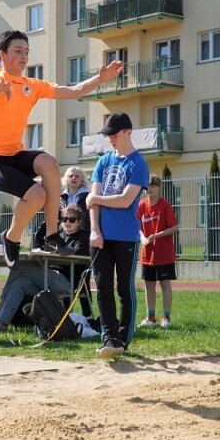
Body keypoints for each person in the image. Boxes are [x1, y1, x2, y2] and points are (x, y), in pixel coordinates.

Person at [0, 29, 124, 270]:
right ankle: (11, 237)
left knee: (49, 163)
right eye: (18, 51)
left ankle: (52, 236)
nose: (24, 56)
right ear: (2, 54)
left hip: (14, 155)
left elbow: (73, 91)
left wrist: (100, 79)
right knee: (37, 196)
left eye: (27, 52)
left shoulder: (32, 85)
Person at [87, 112, 149, 357]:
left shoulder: (138, 164)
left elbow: (125, 200)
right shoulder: (103, 162)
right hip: (100, 237)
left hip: (125, 237)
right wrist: (94, 229)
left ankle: (123, 339)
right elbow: (93, 204)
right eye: (108, 135)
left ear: (128, 132)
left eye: (114, 134)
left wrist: (96, 198)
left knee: (124, 288)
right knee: (102, 288)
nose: (111, 139)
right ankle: (109, 338)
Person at [35, 204, 92, 317]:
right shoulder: (58, 236)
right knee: (23, 279)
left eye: (72, 220)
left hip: (70, 279)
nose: (67, 223)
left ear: (79, 222)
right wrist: (47, 223)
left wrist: (55, 253)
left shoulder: (83, 237)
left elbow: (75, 256)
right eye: (64, 219)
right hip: (53, 274)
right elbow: (40, 245)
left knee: (24, 273)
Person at [138, 174, 179, 329]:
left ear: (158, 188)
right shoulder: (141, 205)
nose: (149, 189)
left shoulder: (164, 205)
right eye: (147, 186)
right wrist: (142, 237)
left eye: (153, 186)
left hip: (164, 253)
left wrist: (157, 235)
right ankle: (150, 317)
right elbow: (137, 226)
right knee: (149, 285)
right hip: (147, 254)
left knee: (165, 284)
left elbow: (174, 227)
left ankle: (166, 318)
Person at [0, 261, 71, 333]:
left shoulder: (65, 244)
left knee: (19, 264)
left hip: (62, 281)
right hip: (42, 279)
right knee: (20, 282)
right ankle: (1, 323)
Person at [60, 166, 91, 232]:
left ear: (82, 180)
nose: (74, 178)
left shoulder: (89, 197)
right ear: (67, 179)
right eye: (71, 176)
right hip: (64, 236)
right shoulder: (61, 198)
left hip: (84, 235)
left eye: (77, 176)